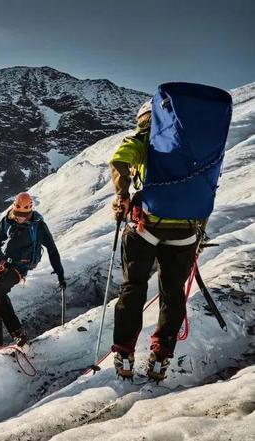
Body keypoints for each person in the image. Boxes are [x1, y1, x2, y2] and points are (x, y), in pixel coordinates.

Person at [109, 101, 200, 381]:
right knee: (172, 293)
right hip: (185, 230)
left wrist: (122, 197)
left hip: (147, 226)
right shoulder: (191, 144)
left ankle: (125, 354)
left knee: (133, 286)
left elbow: (119, 161)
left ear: (143, 120)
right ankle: (160, 359)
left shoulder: (143, 139)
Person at [0, 192, 65, 351]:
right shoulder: (6, 221)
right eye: (18, 214)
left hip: (20, 266)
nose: (21, 217)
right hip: (2, 264)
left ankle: (17, 332)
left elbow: (52, 249)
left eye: (24, 214)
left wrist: (60, 273)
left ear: (30, 211)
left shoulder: (38, 225)